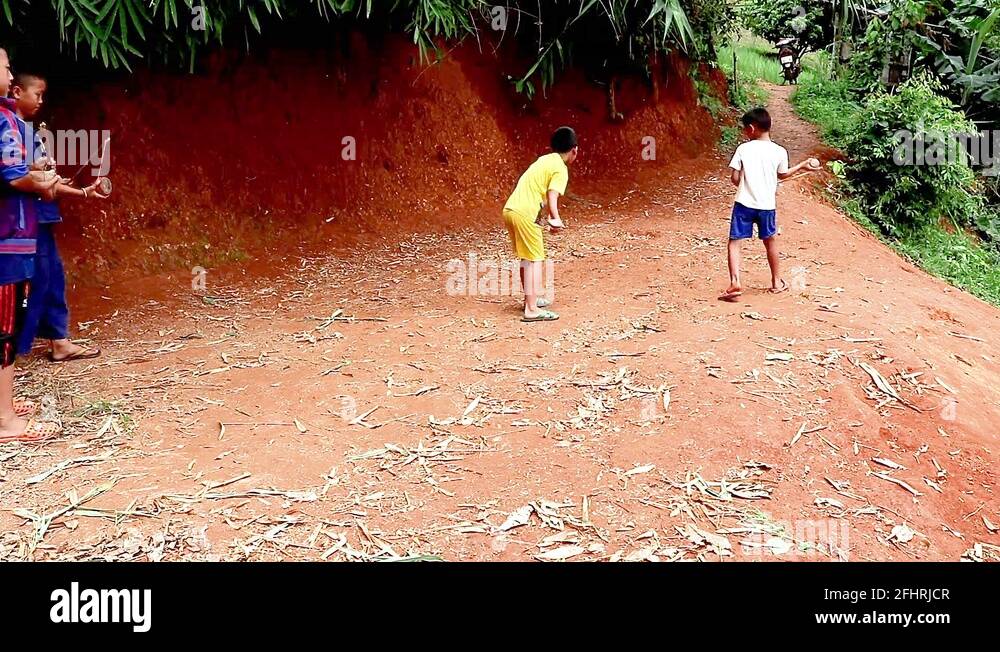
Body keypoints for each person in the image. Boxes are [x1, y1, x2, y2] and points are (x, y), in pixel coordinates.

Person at [11, 72, 106, 363]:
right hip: (29, 219)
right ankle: (15, 350)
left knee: (51, 277)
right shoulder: (12, 131)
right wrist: (73, 189)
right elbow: (28, 180)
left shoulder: (27, 131)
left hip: (42, 217)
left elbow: (44, 181)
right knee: (37, 281)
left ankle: (58, 342)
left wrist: (72, 188)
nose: (41, 100)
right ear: (17, 92)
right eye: (37, 94)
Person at [0, 47, 63, 442]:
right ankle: (5, 421)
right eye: (6, 68)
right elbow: (14, 177)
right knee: (5, 332)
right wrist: (40, 180)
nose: (10, 76)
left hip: (15, 237)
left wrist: (38, 174)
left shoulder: (12, 120)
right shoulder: (4, 121)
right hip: (8, 240)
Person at [720, 108, 820, 301]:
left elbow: (735, 178)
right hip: (767, 206)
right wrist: (802, 165)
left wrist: (744, 179)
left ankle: (735, 282)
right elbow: (783, 174)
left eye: (744, 129)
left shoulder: (743, 149)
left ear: (751, 128)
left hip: (744, 203)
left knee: (734, 242)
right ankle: (776, 282)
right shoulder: (779, 151)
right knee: (770, 241)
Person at [502, 126, 578, 322]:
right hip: (525, 214)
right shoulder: (560, 168)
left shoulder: (544, 160)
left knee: (526, 258)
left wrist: (549, 217)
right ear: (574, 150)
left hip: (511, 210)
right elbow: (553, 194)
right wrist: (555, 217)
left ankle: (531, 300)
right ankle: (532, 309)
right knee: (535, 259)